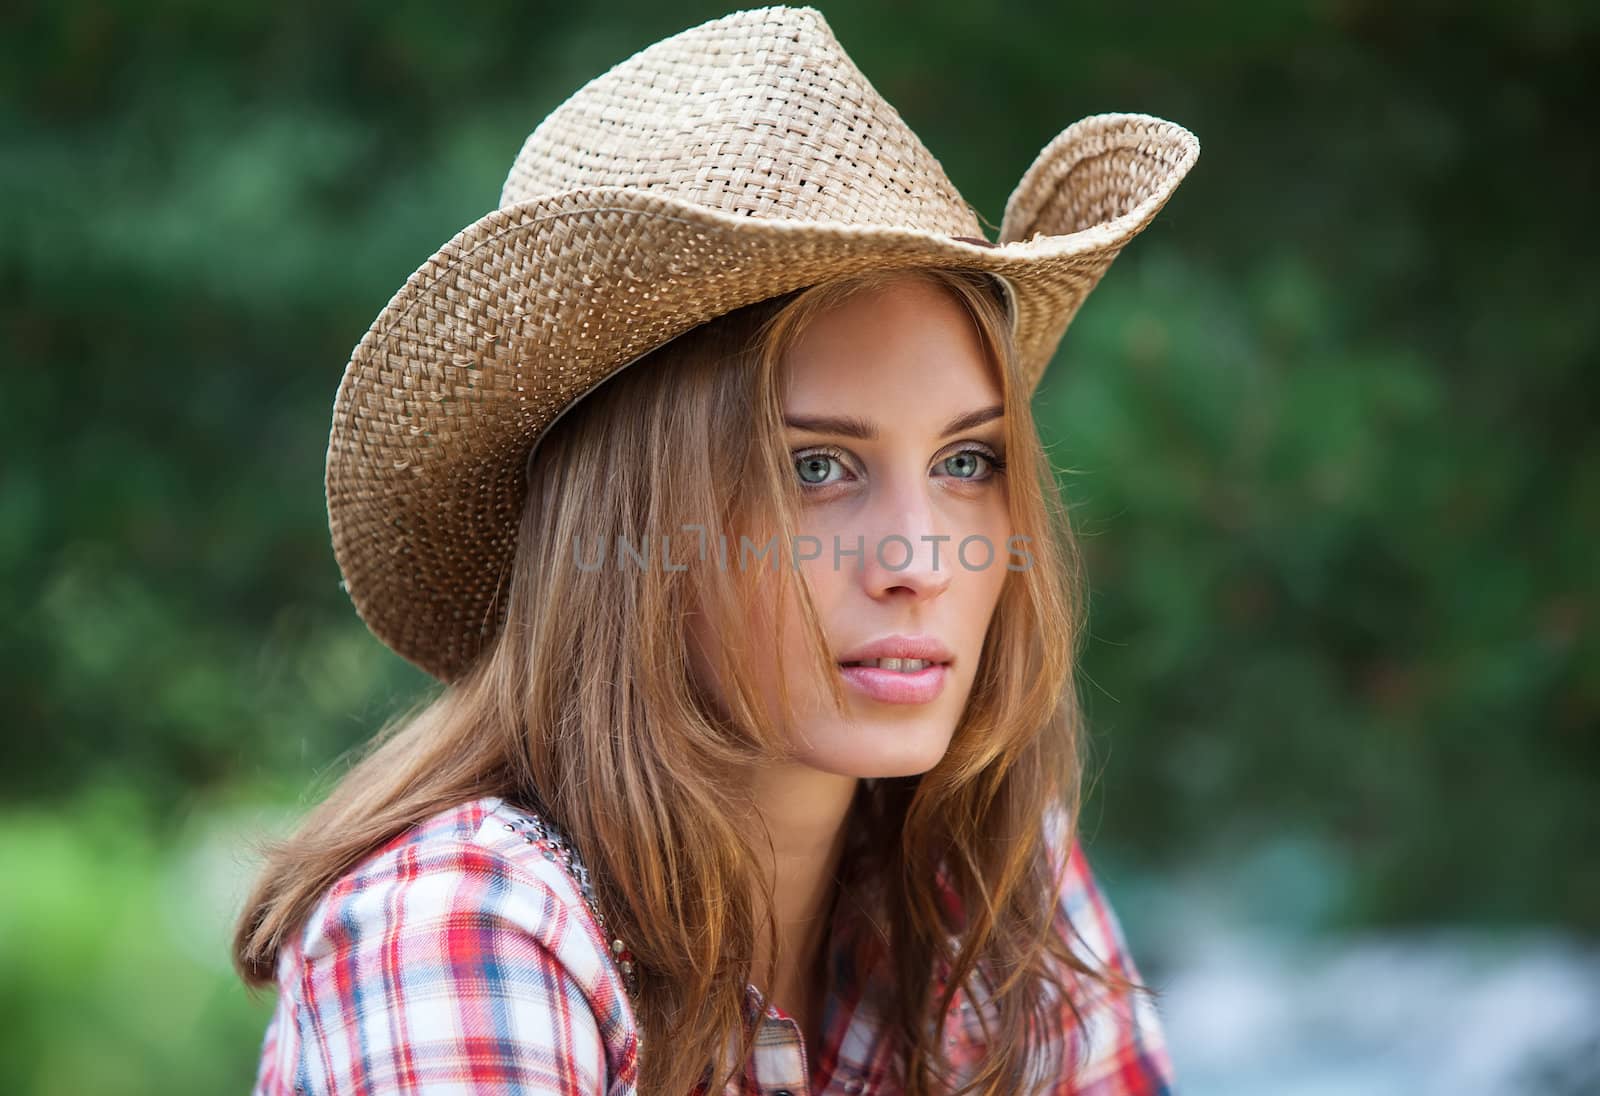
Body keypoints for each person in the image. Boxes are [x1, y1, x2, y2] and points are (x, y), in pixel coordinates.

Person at [232, 6, 1199, 1094]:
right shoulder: (461, 919)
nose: (920, 561)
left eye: (966, 462)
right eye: (815, 468)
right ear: (630, 531)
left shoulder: (984, 883)